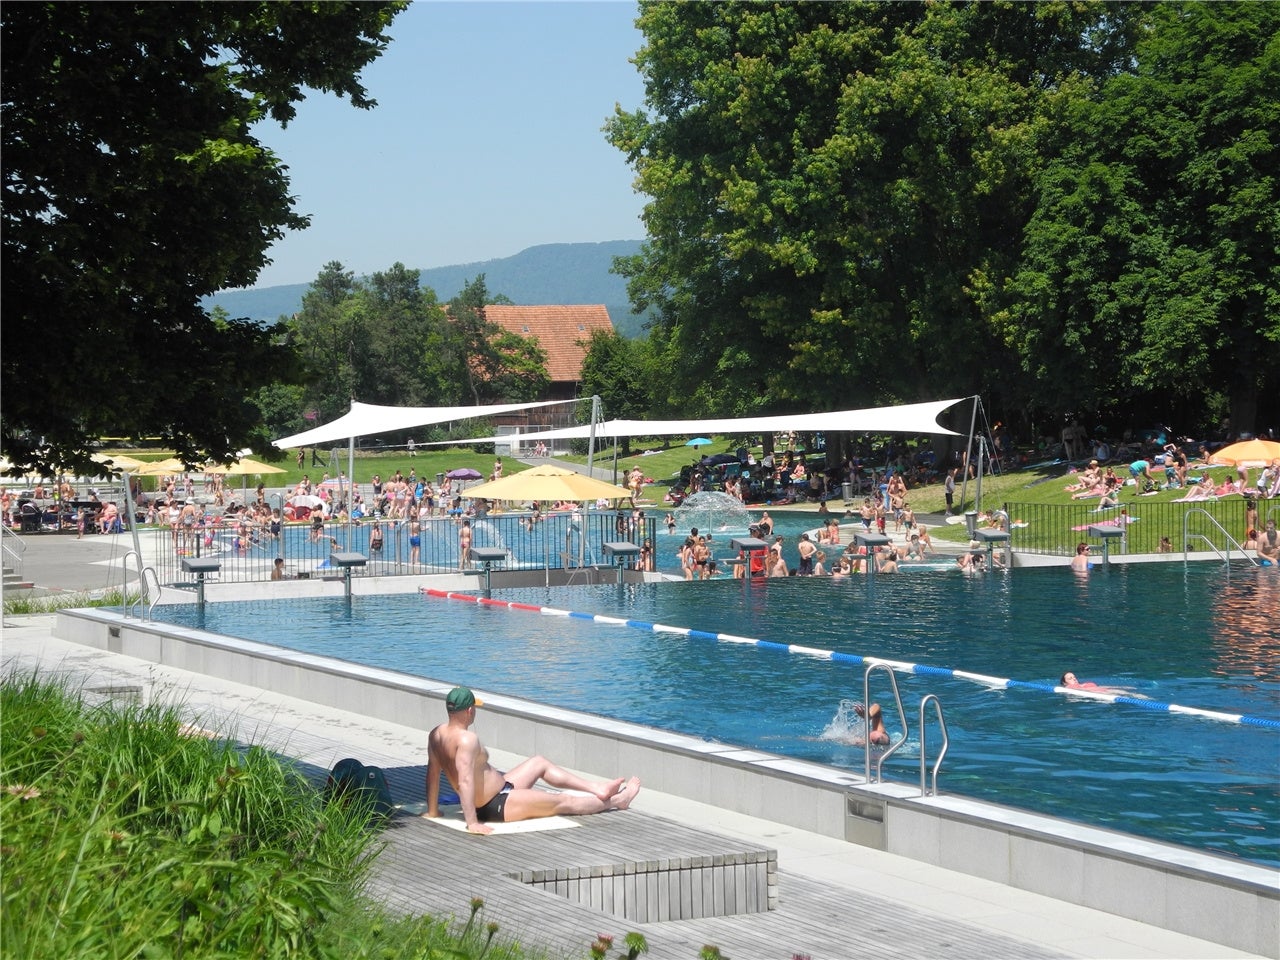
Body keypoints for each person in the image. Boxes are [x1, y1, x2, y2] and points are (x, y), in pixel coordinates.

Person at [424, 686, 640, 834]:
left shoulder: (436, 734)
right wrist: (472, 823)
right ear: (469, 711)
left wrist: (433, 810)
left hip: (499, 791)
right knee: (562, 801)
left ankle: (596, 788)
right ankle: (617, 801)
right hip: (494, 806)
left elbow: (432, 774)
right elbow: (465, 782)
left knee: (539, 762)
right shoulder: (467, 740)